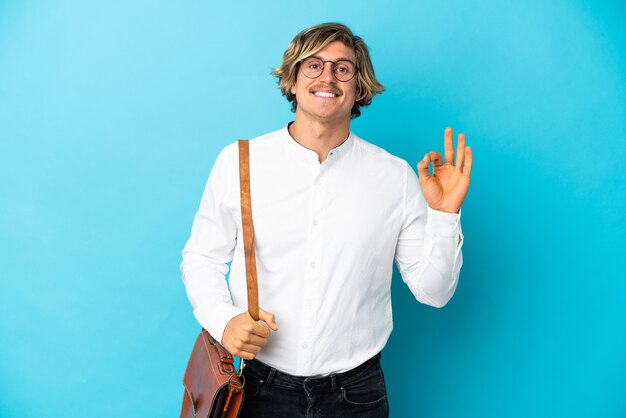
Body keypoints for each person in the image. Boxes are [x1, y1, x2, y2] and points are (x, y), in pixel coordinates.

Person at [180, 22, 472, 417]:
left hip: (356, 394)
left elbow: (434, 292)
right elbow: (201, 258)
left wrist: (444, 213)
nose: (328, 77)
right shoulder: (239, 161)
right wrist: (223, 319)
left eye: (343, 68)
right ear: (294, 81)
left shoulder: (395, 177)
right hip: (257, 387)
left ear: (358, 87)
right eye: (313, 65)